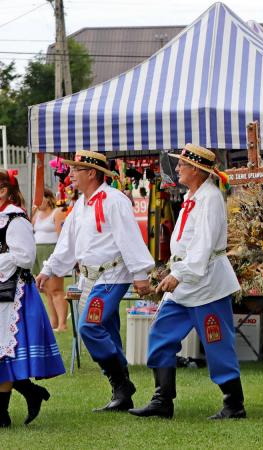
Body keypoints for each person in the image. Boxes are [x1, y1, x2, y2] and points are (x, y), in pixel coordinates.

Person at [129, 144, 244, 419]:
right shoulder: (192, 196)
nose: (177, 168)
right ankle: (162, 400)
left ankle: (234, 404)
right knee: (161, 334)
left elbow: (203, 245)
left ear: (196, 169)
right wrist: (176, 272)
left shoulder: (210, 198)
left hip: (207, 285)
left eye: (182, 164)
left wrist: (178, 274)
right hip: (185, 283)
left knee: (217, 343)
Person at [36, 150, 154, 412]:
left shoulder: (114, 200)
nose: (71, 174)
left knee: (89, 326)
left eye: (76, 170)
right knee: (107, 331)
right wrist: (48, 269)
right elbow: (66, 243)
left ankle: (121, 384)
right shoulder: (81, 204)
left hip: (112, 276)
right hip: (90, 279)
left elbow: (129, 237)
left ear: (91, 173)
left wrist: (140, 274)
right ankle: (122, 394)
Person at [0, 170, 65, 427]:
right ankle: (29, 393)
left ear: (3, 191)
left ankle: (3, 412)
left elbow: (26, 257)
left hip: (13, 293)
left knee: (5, 351)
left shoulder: (15, 219)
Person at [31, 189, 68, 331]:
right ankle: (53, 323)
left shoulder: (57, 212)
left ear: (48, 198)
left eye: (41, 198)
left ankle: (62, 324)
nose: (38, 202)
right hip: (38, 253)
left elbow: (62, 236)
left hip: (51, 251)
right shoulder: (36, 214)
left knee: (56, 290)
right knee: (46, 291)